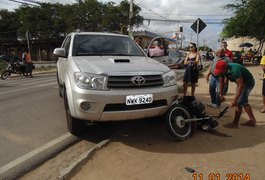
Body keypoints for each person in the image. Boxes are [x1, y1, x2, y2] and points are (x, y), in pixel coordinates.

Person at [214, 60, 256, 128]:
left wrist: (235, 100)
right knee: (244, 101)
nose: (220, 72)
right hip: (242, 84)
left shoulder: (235, 70)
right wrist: (221, 94)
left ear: (225, 68)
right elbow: (221, 83)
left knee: (239, 103)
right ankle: (252, 120)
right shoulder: (222, 71)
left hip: (248, 83)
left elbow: (241, 85)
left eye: (221, 71)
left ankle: (235, 124)